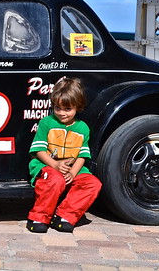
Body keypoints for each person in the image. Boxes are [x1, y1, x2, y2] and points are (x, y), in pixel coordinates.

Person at [26, 77, 102, 233]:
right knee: (55, 179)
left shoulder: (83, 128)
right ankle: (39, 217)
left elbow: (82, 155)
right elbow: (38, 150)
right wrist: (54, 165)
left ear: (77, 107)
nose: (61, 113)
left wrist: (73, 172)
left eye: (67, 109)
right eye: (57, 108)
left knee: (93, 184)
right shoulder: (46, 123)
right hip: (46, 166)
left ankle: (64, 216)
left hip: (72, 170)